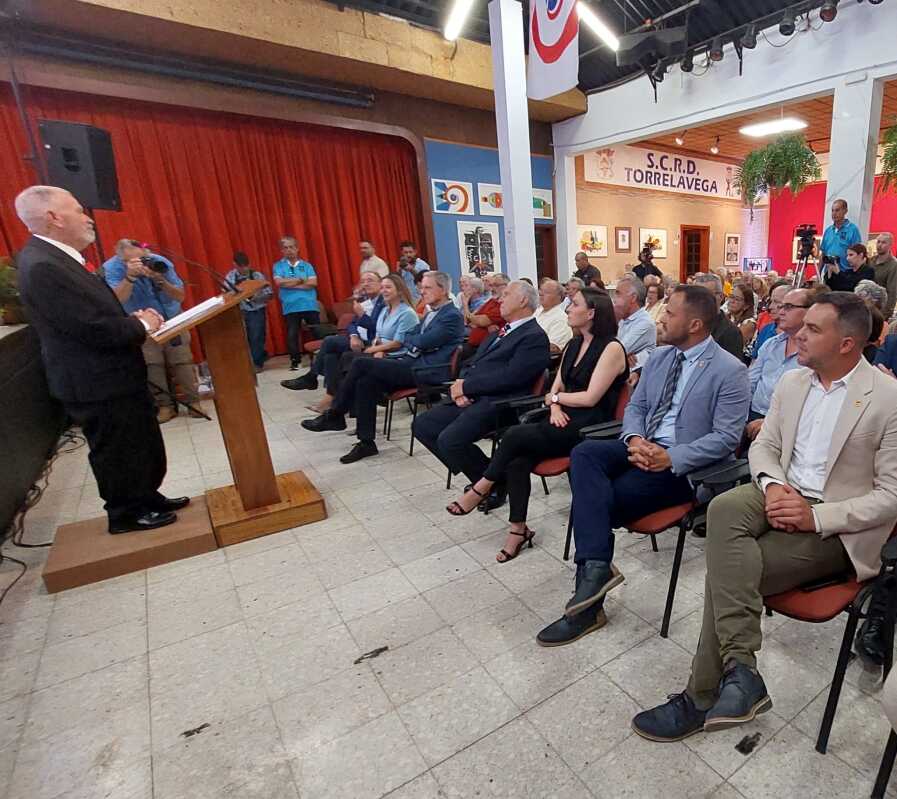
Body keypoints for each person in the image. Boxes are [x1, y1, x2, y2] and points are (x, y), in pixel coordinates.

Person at [632, 292, 897, 743]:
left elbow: (891, 496)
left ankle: (701, 695)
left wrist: (816, 517)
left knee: (729, 574)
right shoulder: (794, 383)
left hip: (835, 522)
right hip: (779, 490)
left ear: (848, 343)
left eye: (813, 329)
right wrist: (774, 485)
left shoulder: (887, 399)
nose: (797, 333)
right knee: (723, 507)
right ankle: (741, 671)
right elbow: (763, 446)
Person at [536, 285, 750, 646]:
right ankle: (597, 573)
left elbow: (727, 439)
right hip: (642, 445)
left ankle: (587, 605)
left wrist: (671, 456)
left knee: (602, 502)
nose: (661, 318)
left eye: (670, 313)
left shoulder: (730, 370)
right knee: (585, 453)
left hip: (683, 466)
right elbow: (635, 408)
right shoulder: (662, 357)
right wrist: (634, 440)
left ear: (695, 324)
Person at [14, 186, 188, 534]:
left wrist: (131, 321)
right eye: (78, 210)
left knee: (138, 439)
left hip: (112, 373)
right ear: (53, 217)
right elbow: (89, 327)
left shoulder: (58, 258)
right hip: (94, 379)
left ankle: (146, 496)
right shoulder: (44, 265)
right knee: (117, 447)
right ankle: (125, 512)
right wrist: (141, 323)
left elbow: (91, 313)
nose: (87, 217)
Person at [446, 289, 627, 561]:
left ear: (591, 313)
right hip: (561, 416)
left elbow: (590, 398)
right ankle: (517, 530)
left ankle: (482, 486)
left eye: (574, 305)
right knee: (518, 460)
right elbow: (555, 387)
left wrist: (554, 399)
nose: (567, 309)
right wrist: (554, 404)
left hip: (591, 425)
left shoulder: (611, 348)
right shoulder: (574, 344)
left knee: (515, 434)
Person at [300, 272, 463, 463]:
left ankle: (335, 414)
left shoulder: (451, 315)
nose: (422, 291)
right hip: (411, 363)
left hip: (427, 371)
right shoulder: (431, 312)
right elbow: (410, 338)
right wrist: (413, 341)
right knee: (365, 381)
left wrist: (413, 341)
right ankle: (366, 442)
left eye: (427, 288)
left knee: (360, 362)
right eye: (422, 287)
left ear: (443, 290)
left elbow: (421, 341)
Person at [413, 281, 550, 508]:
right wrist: (460, 387)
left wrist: (468, 388)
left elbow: (512, 377)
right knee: (423, 425)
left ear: (523, 301)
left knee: (450, 440)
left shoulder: (533, 336)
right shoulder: (499, 331)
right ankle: (490, 479)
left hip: (502, 403)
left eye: (506, 294)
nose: (499, 299)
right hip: (475, 396)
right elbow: (472, 363)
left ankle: (487, 484)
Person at [104, 238, 200, 424]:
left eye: (142, 259)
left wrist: (160, 280)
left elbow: (180, 295)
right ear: (121, 258)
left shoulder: (159, 262)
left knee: (182, 361)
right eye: (132, 262)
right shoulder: (112, 268)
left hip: (172, 318)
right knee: (152, 365)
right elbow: (116, 301)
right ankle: (164, 406)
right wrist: (130, 277)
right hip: (142, 323)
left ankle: (193, 401)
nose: (140, 264)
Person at [280, 271, 383, 400]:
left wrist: (362, 315)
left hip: (373, 343)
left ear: (381, 283)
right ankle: (336, 402)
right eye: (363, 281)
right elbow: (352, 324)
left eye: (370, 280)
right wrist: (353, 336)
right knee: (330, 357)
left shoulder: (383, 302)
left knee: (330, 341)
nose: (366, 284)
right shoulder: (365, 301)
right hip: (357, 340)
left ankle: (312, 378)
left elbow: (379, 328)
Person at [745, 288, 812, 440]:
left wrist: (773, 422)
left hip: (789, 426)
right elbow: (750, 382)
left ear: (810, 311)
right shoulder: (771, 344)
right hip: (753, 415)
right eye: (781, 306)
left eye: (788, 307)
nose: (780, 312)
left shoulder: (815, 352)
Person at [273, 236, 319, 371]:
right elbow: (279, 283)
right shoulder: (278, 266)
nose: (289, 250)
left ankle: (322, 357)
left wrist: (290, 284)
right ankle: (295, 361)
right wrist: (301, 280)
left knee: (316, 331)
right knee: (292, 334)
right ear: (282, 251)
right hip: (290, 306)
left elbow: (313, 283)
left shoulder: (307, 265)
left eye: (291, 247)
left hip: (309, 304)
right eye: (285, 248)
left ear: (297, 248)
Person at [225, 251, 273, 372]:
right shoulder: (230, 277)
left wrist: (257, 297)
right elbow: (225, 295)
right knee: (241, 338)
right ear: (234, 265)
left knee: (257, 336)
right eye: (241, 267)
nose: (244, 269)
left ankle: (257, 363)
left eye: (246, 266)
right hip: (239, 311)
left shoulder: (257, 276)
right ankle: (244, 364)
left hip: (256, 310)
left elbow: (269, 294)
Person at [692, 272, 744, 361]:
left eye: (705, 295)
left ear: (720, 296)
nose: (700, 300)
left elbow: (732, 370)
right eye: (696, 296)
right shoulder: (689, 324)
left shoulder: (730, 332)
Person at [613, 276, 656, 373]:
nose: (614, 300)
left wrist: (621, 356)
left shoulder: (645, 323)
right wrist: (623, 357)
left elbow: (615, 353)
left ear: (633, 298)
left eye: (618, 294)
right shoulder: (623, 318)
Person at [460, 273, 508, 360]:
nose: (492, 288)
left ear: (506, 286)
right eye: (491, 285)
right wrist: (486, 324)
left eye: (496, 285)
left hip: (484, 349)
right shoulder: (492, 301)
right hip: (472, 344)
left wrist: (480, 321)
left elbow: (480, 320)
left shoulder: (504, 305)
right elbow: (469, 321)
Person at [818, 198, 863, 280]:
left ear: (845, 211)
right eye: (832, 210)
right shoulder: (828, 231)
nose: (834, 214)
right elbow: (823, 254)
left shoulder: (853, 230)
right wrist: (818, 274)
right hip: (828, 274)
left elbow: (858, 254)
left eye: (837, 210)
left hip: (845, 274)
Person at [750, 281, 790, 359]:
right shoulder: (766, 330)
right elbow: (754, 361)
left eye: (776, 302)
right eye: (771, 302)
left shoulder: (799, 335)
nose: (770, 307)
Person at [534, 279, 574, 353]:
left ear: (559, 297)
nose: (540, 294)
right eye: (540, 290)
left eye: (546, 292)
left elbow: (554, 347)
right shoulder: (536, 312)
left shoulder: (561, 319)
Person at [725, 283, 757, 358]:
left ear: (746, 305)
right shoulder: (726, 317)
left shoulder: (749, 323)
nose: (732, 301)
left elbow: (732, 345)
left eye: (737, 299)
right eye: (731, 297)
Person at [871, 232, 897, 320]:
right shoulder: (871, 261)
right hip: (868, 307)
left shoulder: (894, 265)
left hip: (881, 310)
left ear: (890, 245)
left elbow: (892, 291)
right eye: (878, 242)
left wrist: (885, 314)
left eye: (883, 242)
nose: (879, 245)